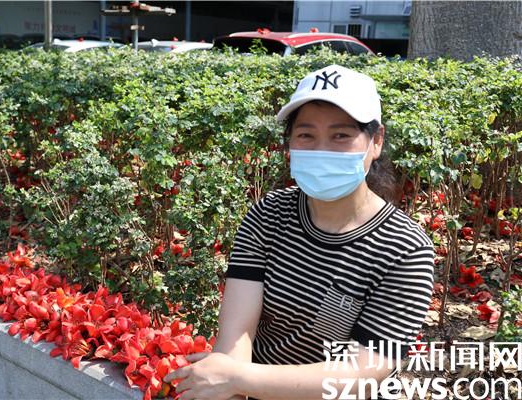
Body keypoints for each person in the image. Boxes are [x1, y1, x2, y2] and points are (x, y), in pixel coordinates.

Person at [163, 64, 435, 400]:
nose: (321, 150)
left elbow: (365, 371)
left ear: (376, 141)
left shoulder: (406, 248)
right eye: (306, 135)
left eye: (340, 136)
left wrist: (238, 379)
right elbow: (237, 334)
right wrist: (231, 384)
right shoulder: (269, 214)